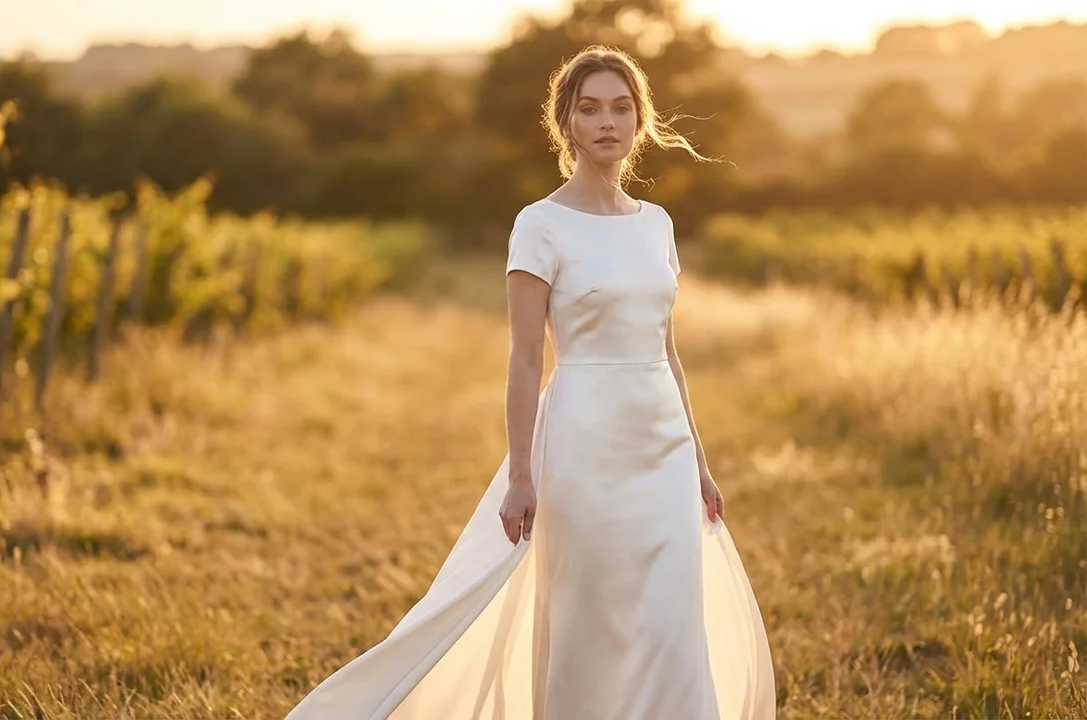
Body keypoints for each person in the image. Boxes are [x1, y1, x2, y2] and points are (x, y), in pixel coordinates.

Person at [284, 45, 775, 720]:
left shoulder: (657, 226)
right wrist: (521, 474)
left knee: (667, 616)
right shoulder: (539, 225)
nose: (608, 122)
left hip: (662, 449)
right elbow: (523, 359)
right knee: (588, 614)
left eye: (622, 107)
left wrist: (700, 461)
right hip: (582, 443)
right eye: (591, 108)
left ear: (641, 119)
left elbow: (666, 349)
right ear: (567, 123)